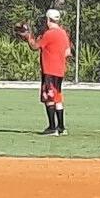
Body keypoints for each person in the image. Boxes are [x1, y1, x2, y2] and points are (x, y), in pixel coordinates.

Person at [18, 8, 72, 136]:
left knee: (49, 98)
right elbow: (67, 52)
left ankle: (52, 128)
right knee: (58, 98)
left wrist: (28, 36)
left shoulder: (49, 33)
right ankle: (61, 127)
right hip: (59, 70)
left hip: (49, 70)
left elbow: (35, 46)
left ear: (48, 19)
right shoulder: (63, 33)